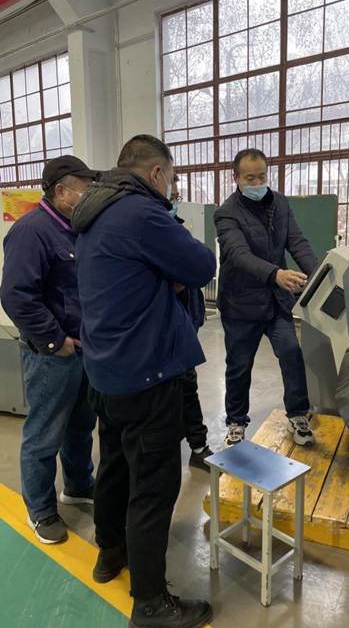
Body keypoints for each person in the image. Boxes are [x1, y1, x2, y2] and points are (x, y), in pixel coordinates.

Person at [71, 135, 216, 628]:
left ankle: (110, 552)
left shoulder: (94, 212)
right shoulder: (142, 213)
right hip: (147, 373)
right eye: (171, 179)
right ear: (156, 174)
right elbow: (202, 266)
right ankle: (151, 603)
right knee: (153, 486)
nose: (171, 188)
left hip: (105, 371)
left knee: (114, 466)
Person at [1, 156, 99, 545]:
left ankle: (78, 485)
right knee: (45, 433)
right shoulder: (32, 231)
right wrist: (55, 341)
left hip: (84, 350)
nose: (90, 194)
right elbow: (16, 296)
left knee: (80, 426)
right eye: (85, 188)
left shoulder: (76, 229)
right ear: (61, 191)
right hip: (52, 355)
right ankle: (40, 509)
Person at [214, 148, 318, 449]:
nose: (258, 183)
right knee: (239, 366)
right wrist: (275, 274)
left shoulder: (280, 203)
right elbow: (239, 254)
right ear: (236, 178)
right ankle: (236, 422)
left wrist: (319, 275)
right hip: (240, 305)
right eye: (250, 178)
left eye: (262, 176)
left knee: (291, 354)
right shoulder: (226, 213)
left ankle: (297, 415)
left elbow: (296, 241)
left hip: (276, 301)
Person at [170, 174, 213, 472]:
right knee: (172, 393)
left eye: (177, 196)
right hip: (166, 329)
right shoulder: (150, 231)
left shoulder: (177, 228)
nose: (175, 200)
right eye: (171, 195)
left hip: (186, 322)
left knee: (189, 387)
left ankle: (198, 446)